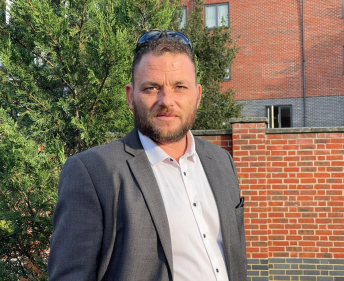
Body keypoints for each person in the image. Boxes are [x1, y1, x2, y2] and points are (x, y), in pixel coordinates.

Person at [48, 30, 246, 281]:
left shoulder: (221, 162)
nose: (166, 101)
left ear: (197, 95)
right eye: (152, 88)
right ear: (131, 96)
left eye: (179, 87)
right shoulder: (93, 172)